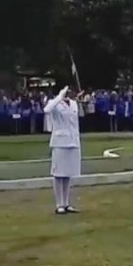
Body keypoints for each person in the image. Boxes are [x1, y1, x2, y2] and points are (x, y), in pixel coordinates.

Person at [44, 86, 82, 215]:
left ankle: (66, 203)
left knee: (68, 174)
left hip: (73, 141)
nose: (68, 94)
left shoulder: (73, 104)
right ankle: (59, 204)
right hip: (60, 142)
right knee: (58, 174)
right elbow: (47, 110)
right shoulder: (54, 103)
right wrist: (59, 96)